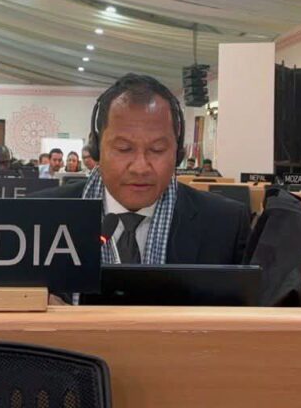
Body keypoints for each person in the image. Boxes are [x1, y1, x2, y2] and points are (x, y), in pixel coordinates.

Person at [33, 73, 250, 267]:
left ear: (178, 153)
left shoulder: (226, 224)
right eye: (123, 149)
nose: (140, 167)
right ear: (97, 149)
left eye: (157, 150)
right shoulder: (39, 217)